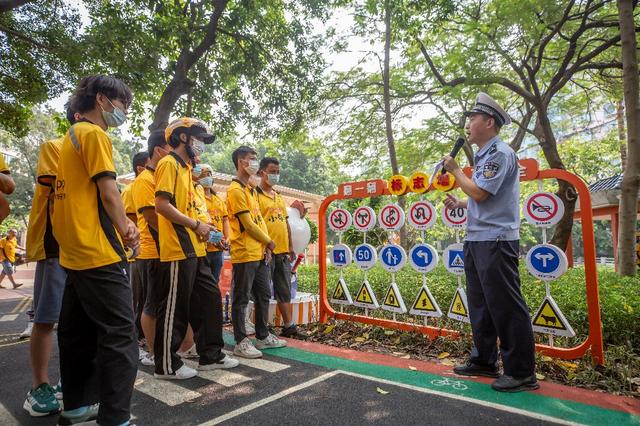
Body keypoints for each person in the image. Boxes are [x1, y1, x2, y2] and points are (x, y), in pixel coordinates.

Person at [52, 74, 140, 425]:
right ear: (102, 100)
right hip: (99, 250)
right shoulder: (94, 134)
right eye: (123, 105)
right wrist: (126, 228)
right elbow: (108, 191)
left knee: (77, 332)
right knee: (120, 334)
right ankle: (116, 417)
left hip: (73, 251)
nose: (124, 112)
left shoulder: (68, 138)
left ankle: (75, 406)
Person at [442, 92, 538, 393]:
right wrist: (460, 202)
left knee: (506, 305)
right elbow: (480, 196)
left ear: (489, 121)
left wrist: (456, 171)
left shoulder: (500, 153)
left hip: (496, 240)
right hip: (478, 239)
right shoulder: (484, 155)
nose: (469, 123)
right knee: (481, 304)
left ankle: (521, 372)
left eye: (473, 118)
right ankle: (484, 359)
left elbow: (482, 193)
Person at [153, 117, 238, 380]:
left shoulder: (189, 172)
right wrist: (195, 225)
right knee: (174, 308)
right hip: (179, 248)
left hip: (197, 249)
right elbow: (161, 205)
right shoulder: (169, 163)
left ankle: (211, 355)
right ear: (183, 137)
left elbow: (193, 212)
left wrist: (210, 234)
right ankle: (166, 364)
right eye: (199, 138)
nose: (202, 144)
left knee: (209, 300)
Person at [22, 105, 78, 417]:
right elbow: (59, 197)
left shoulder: (98, 152)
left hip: (84, 247)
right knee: (46, 317)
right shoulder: (54, 147)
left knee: (76, 318)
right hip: (56, 244)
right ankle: (38, 387)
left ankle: (65, 382)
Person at [227, 146, 286, 359]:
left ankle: (262, 335)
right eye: (252, 159)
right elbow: (248, 224)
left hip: (259, 252)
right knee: (241, 298)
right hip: (244, 252)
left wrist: (264, 247)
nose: (254, 163)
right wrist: (269, 241)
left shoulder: (250, 189)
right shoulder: (235, 190)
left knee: (263, 294)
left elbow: (259, 220)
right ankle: (241, 341)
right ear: (241, 162)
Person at [130, 131, 171, 367]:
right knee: (151, 304)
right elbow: (150, 217)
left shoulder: (158, 176)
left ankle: (158, 349)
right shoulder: (145, 180)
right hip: (151, 251)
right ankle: (155, 353)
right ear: (158, 150)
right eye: (169, 147)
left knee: (157, 302)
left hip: (162, 250)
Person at [256, 157, 307, 338]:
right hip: (265, 252)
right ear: (262, 172)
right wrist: (264, 246)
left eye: (278, 172)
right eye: (272, 171)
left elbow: (285, 224)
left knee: (283, 290)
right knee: (262, 292)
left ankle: (288, 326)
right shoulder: (255, 195)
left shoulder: (278, 196)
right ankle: (262, 328)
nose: (275, 175)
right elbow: (254, 223)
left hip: (283, 252)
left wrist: (291, 245)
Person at [123, 151, 151, 359]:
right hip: (137, 254)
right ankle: (136, 343)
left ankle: (145, 339)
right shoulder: (132, 188)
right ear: (141, 168)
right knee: (138, 300)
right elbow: (130, 219)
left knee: (148, 299)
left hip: (147, 253)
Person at [199, 164, 230, 286]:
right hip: (204, 248)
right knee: (203, 282)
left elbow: (225, 219)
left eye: (209, 175)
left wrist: (227, 238)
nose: (207, 177)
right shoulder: (197, 198)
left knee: (215, 280)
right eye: (203, 175)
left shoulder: (218, 199)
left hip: (218, 249)